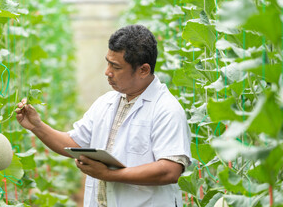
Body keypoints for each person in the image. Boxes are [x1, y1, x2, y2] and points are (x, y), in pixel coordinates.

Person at [16, 24, 192, 207]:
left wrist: (109, 175)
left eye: (115, 67)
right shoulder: (106, 102)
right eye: (108, 62)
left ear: (143, 70)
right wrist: (37, 126)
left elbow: (169, 170)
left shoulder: (166, 109)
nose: (107, 72)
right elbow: (74, 143)